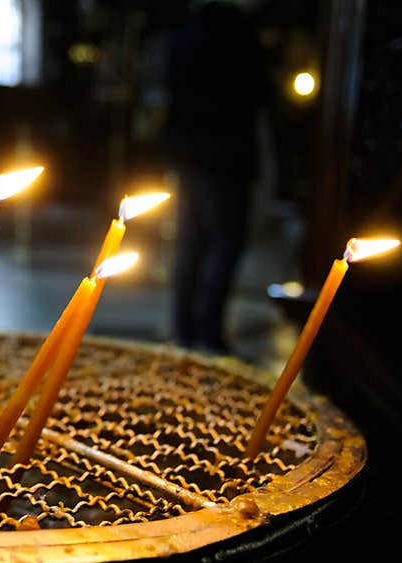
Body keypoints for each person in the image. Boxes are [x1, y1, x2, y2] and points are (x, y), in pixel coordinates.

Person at [163, 1, 270, 353]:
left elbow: (171, 89)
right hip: (226, 154)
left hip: (189, 152)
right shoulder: (238, 32)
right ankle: (208, 330)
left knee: (191, 241)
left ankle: (183, 328)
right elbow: (259, 91)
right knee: (225, 242)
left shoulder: (187, 31)